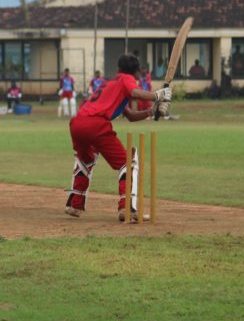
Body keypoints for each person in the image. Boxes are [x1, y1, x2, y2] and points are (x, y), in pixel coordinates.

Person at [65, 54, 172, 222]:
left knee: (86, 159)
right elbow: (135, 92)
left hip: (77, 124)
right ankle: (127, 208)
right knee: (128, 162)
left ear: (118, 68)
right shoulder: (125, 79)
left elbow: (130, 116)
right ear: (136, 73)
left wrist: (151, 111)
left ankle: (75, 204)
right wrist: (157, 95)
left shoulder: (110, 83)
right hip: (95, 124)